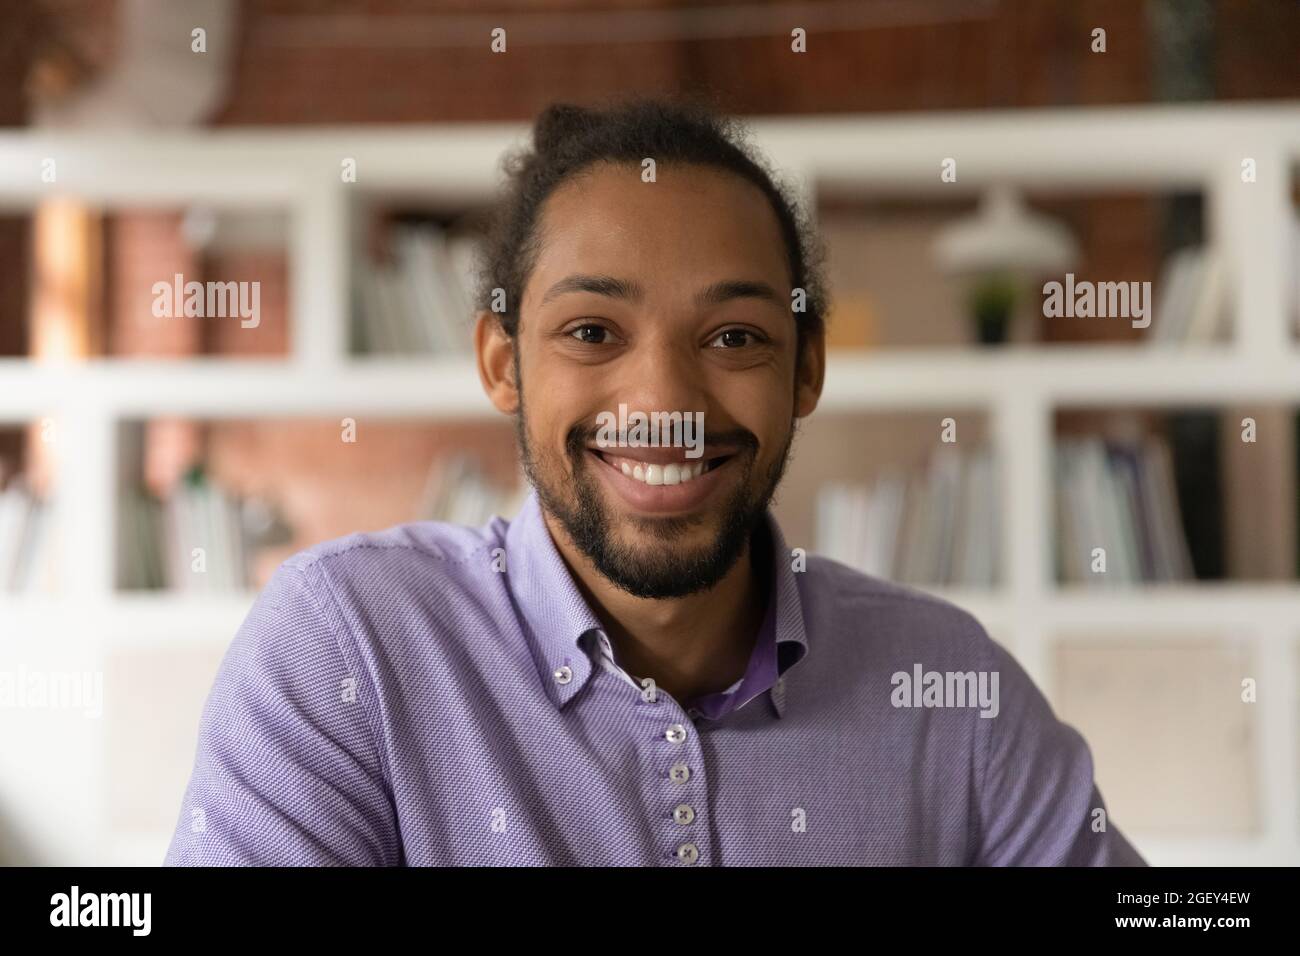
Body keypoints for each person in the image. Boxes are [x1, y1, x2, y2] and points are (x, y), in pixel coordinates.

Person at [165, 98, 1144, 866]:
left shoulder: (948, 685)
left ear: (804, 370)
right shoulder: (348, 645)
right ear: (504, 363)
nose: (664, 397)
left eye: (734, 337)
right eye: (592, 331)